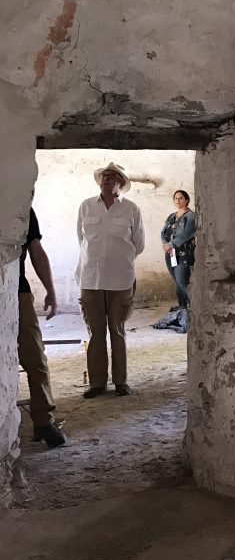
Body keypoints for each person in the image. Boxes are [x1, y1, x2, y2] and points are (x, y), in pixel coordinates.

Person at [76, 162, 145, 398]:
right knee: (95, 333)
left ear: (121, 184)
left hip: (121, 280)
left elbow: (139, 244)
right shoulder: (86, 206)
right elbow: (81, 240)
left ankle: (121, 381)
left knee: (117, 330)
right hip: (90, 279)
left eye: (112, 176)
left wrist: (118, 261)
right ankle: (97, 383)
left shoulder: (131, 209)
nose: (106, 178)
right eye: (103, 175)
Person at [17, 208, 66, 448]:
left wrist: (51, 291)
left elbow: (36, 252)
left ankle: (44, 421)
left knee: (35, 358)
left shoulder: (20, 203)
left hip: (16, 292)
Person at [160, 189, 196, 310]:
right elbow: (163, 232)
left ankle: (195, 306)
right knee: (176, 281)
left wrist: (171, 245)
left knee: (181, 281)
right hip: (170, 254)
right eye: (176, 198)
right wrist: (166, 245)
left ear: (186, 200)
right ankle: (182, 308)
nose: (178, 200)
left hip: (184, 253)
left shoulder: (191, 216)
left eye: (181, 198)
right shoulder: (171, 216)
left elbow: (187, 233)